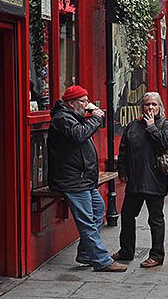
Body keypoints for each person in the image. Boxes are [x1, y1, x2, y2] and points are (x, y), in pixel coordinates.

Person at [47, 85, 127, 272]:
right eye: (83, 101)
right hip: (72, 180)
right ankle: (102, 261)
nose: (87, 104)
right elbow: (79, 135)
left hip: (83, 179)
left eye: (86, 100)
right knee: (87, 221)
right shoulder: (62, 118)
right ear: (71, 103)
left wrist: (93, 116)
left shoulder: (75, 117)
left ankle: (85, 253)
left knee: (98, 209)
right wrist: (96, 118)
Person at [113, 92, 168, 268]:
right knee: (127, 215)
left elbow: (166, 144)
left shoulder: (165, 125)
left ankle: (157, 255)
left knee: (155, 219)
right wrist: (122, 170)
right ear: (142, 107)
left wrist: (152, 127)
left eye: (154, 105)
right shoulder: (133, 125)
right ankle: (126, 250)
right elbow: (124, 149)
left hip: (155, 180)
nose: (150, 108)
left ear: (159, 107)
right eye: (147, 104)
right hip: (135, 180)